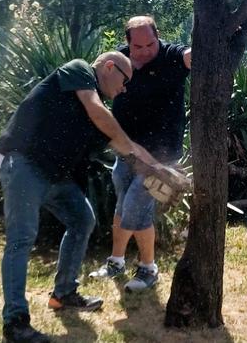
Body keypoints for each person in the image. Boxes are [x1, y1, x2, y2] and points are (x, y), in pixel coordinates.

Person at [0, 52, 169, 343]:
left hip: (52, 174)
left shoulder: (97, 114)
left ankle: (63, 293)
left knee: (82, 219)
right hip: (22, 161)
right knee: (21, 238)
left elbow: (127, 147)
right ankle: (15, 323)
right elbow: (100, 114)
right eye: (125, 81)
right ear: (109, 67)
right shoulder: (79, 71)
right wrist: (144, 159)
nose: (124, 89)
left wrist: (160, 170)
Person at [89, 16, 191, 293]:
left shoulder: (172, 56)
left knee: (136, 204)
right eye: (138, 46)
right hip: (127, 151)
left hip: (160, 159)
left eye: (151, 44)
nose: (145, 51)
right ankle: (116, 262)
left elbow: (192, 56)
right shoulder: (119, 61)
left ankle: (148, 269)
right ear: (127, 44)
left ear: (158, 38)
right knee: (123, 203)